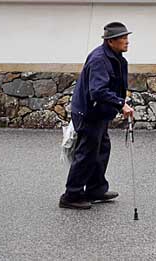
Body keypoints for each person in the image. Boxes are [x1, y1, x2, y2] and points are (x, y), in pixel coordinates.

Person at [59, 22, 135, 210]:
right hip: (88, 112)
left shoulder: (116, 58)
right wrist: (120, 104)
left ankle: (95, 189)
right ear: (111, 41)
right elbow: (98, 91)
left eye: (127, 37)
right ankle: (71, 195)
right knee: (87, 153)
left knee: (101, 150)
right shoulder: (99, 59)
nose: (127, 42)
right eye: (123, 38)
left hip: (99, 112)